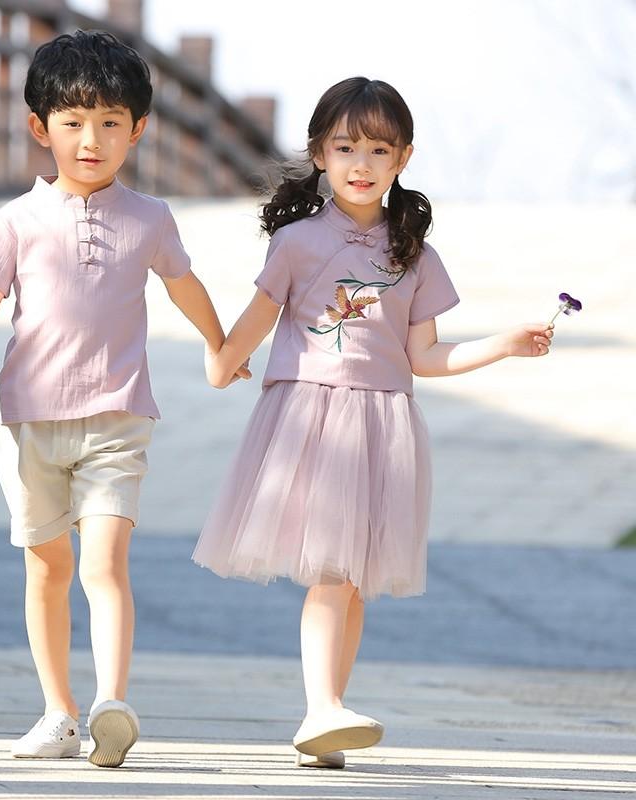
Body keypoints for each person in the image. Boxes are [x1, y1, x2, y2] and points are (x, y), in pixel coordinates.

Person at [194, 77, 554, 769]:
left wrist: (503, 345)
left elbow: (426, 355)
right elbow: (256, 321)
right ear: (320, 154)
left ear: (403, 158)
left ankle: (325, 716)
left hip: (384, 422)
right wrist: (223, 362)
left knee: (352, 578)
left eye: (379, 148)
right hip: (310, 417)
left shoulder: (414, 253)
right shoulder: (297, 242)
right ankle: (322, 709)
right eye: (346, 145)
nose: (361, 162)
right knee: (332, 571)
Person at [0, 29, 245, 768]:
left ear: (139, 129)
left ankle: (112, 703)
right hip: (26, 422)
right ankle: (59, 712)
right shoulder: (14, 222)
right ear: (40, 129)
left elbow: (184, 284)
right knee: (45, 568)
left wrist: (220, 344)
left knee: (103, 561)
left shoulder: (151, 218)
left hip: (118, 418)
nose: (91, 139)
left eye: (110, 123)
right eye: (71, 123)